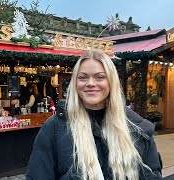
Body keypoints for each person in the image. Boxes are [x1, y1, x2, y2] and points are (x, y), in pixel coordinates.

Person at [26, 50, 162, 179]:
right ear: (75, 83)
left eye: (100, 77)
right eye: (83, 77)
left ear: (111, 82)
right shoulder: (55, 127)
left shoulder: (137, 128)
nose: (90, 83)